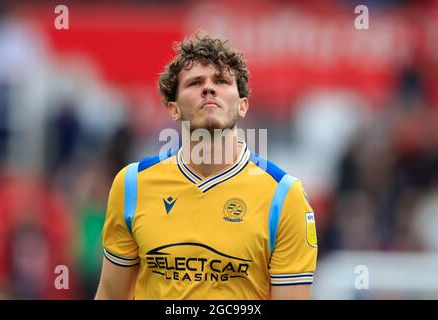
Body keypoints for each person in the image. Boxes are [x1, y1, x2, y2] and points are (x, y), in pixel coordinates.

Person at [95, 31, 317, 300]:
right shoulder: (131, 185)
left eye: (221, 81)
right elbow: (109, 295)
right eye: (195, 82)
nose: (209, 88)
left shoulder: (284, 196)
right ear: (174, 108)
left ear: (243, 105)